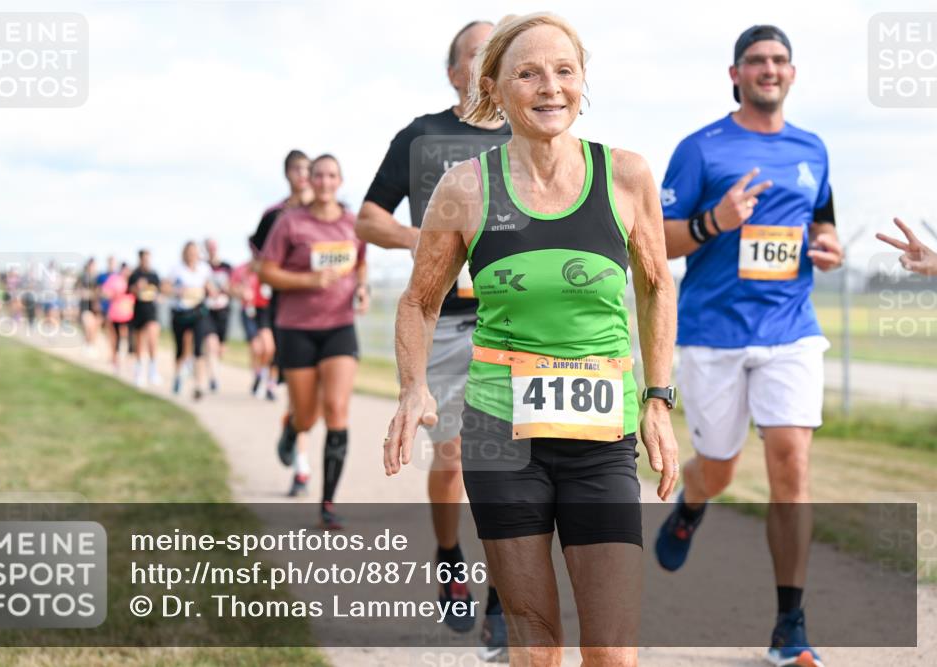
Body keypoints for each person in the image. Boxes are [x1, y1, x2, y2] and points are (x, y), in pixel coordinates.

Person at [384, 13, 679, 666]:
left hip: (602, 436)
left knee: (613, 651)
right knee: (537, 643)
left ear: (582, 82)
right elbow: (419, 300)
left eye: (564, 71)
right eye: (529, 72)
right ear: (493, 87)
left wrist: (658, 398)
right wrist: (413, 387)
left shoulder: (626, 175)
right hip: (500, 432)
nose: (550, 87)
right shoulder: (466, 187)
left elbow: (658, 286)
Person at [655, 25, 843, 667]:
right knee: (721, 468)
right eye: (757, 61)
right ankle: (693, 501)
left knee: (791, 466)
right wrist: (716, 222)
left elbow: (822, 216)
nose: (769, 69)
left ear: (793, 72)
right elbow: (661, 241)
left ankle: (790, 625)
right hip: (713, 334)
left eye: (780, 60)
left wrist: (830, 245)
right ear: (735, 74)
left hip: (790, 329)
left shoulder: (812, 147)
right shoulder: (701, 149)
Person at [355, 18, 512, 648]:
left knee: (511, 470)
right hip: (447, 323)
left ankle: (503, 601)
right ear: (455, 73)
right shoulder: (423, 137)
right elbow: (367, 219)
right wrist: (425, 238)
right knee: (451, 460)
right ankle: (449, 556)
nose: (492, 60)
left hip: (519, 327)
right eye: (479, 52)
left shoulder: (533, 135)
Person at [261, 154, 369, 526]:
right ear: (311, 180)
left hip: (339, 326)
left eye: (331, 175)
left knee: (337, 409)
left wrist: (363, 288)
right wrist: (309, 281)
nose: (324, 181)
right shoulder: (291, 223)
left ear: (340, 180)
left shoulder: (354, 224)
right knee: (308, 415)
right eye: (318, 175)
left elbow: (360, 263)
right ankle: (292, 429)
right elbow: (268, 272)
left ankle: (328, 502)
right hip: (296, 327)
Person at [252, 149, 314, 395]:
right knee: (278, 350)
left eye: (307, 169)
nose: (302, 175)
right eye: (296, 169)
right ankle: (271, 383)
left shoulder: (324, 211)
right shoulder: (274, 215)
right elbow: (257, 260)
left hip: (315, 299)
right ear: (287, 174)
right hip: (279, 296)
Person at [168, 241, 214, 400]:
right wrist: (178, 291)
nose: (192, 255)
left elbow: (210, 286)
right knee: (180, 349)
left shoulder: (204, 269)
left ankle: (199, 385)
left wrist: (211, 291)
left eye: (194, 252)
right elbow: (165, 288)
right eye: (189, 252)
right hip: (180, 313)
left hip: (198, 312)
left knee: (198, 349)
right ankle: (178, 377)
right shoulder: (176, 269)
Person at [231, 257, 276, 397]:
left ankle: (265, 377)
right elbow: (231, 287)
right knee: (257, 348)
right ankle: (257, 374)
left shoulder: (271, 266)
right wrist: (241, 292)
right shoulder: (242, 269)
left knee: (269, 348)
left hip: (265, 310)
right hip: (249, 309)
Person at [129, 249, 163, 387]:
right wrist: (138, 288)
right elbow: (130, 291)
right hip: (138, 311)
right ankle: (139, 371)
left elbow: (159, 292)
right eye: (145, 259)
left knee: (152, 337)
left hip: (152, 312)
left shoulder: (154, 275)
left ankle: (153, 370)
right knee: (139, 342)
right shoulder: (135, 274)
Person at [204, 238, 233, 393]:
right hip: (207, 311)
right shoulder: (203, 267)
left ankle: (216, 370)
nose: (212, 249)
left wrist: (227, 288)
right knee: (210, 343)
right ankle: (213, 377)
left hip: (223, 310)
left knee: (220, 347)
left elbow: (233, 287)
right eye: (209, 246)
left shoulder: (227, 267)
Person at [103, 263, 135, 374]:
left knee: (129, 338)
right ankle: (115, 361)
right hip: (115, 314)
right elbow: (105, 292)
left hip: (129, 315)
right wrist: (113, 294)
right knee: (116, 338)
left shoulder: (132, 280)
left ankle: (128, 361)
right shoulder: (114, 279)